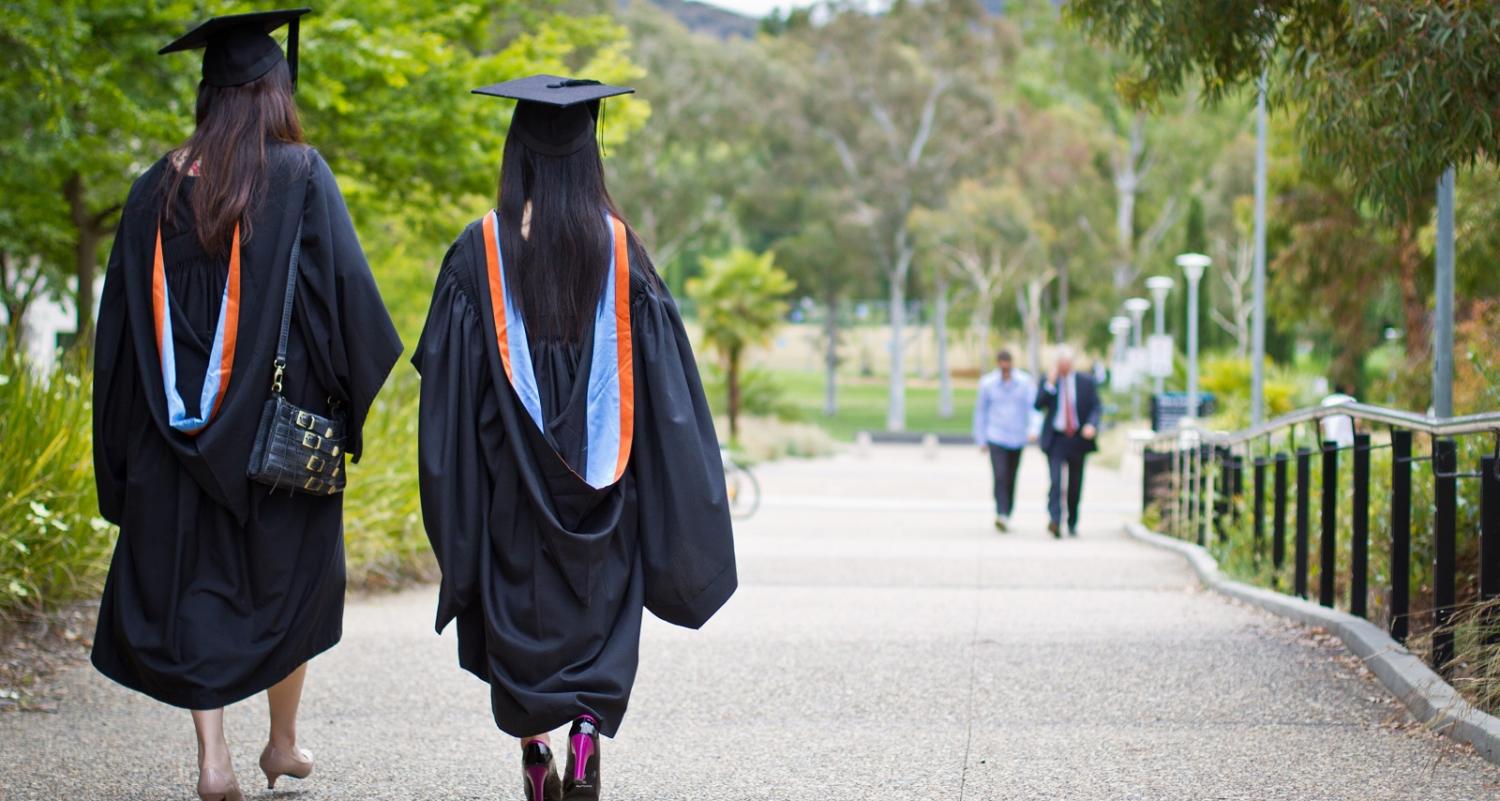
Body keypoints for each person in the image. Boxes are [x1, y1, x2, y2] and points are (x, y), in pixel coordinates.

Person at [89, 10, 402, 801]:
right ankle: (282, 743)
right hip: (274, 440)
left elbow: (118, 334)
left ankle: (213, 755)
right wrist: (342, 409)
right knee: (286, 584)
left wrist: (120, 455)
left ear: (208, 94)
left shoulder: (150, 190)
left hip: (171, 434)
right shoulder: (298, 175)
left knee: (194, 586)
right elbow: (351, 308)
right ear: (274, 94)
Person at [414, 74, 737, 801]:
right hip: (606, 498)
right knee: (597, 617)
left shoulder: (478, 252)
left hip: (507, 496)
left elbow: (446, 389)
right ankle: (586, 733)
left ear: (515, 153)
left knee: (517, 619)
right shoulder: (622, 251)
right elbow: (666, 394)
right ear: (589, 157)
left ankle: (535, 750)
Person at [1034, 346, 1101, 538]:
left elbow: (1096, 406)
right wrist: (1050, 384)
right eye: (1060, 364)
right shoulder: (1049, 381)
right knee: (1055, 481)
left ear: (1072, 363)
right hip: (1056, 439)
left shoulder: (1086, 382)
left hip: (1079, 439)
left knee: (1075, 484)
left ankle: (1072, 521)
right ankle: (1055, 520)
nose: (1064, 367)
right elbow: (1038, 404)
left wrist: (1091, 425)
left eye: (1067, 364)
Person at [973, 349, 1035, 531]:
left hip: (1017, 436)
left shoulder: (1024, 382)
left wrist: (1033, 429)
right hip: (996, 435)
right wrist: (981, 439)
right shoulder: (988, 384)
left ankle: (1008, 511)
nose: (1005, 371)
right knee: (999, 475)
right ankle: (1001, 512)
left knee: (1011, 476)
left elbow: (1033, 408)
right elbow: (981, 412)